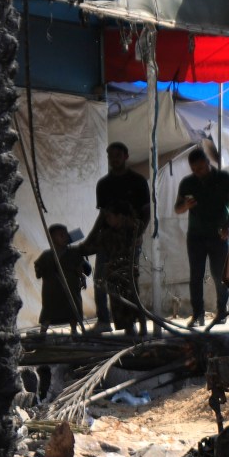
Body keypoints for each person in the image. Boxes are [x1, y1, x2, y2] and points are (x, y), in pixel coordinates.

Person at [85, 142, 153, 333]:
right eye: (111, 156)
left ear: (126, 156)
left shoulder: (138, 181)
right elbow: (102, 216)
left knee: (127, 282)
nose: (114, 159)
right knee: (100, 278)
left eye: (117, 155)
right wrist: (91, 241)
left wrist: (139, 234)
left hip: (129, 240)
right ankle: (104, 320)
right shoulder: (104, 185)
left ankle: (135, 323)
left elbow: (146, 212)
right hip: (107, 240)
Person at [173, 146, 229, 328]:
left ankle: (222, 312)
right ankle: (198, 315)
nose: (198, 173)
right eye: (194, 170)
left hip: (219, 234)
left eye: (201, 169)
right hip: (195, 236)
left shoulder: (223, 178)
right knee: (196, 275)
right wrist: (186, 205)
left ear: (208, 163)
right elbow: (177, 208)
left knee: (220, 274)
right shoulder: (188, 183)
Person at [34, 224, 91, 334]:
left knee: (73, 309)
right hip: (52, 291)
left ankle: (74, 330)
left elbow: (82, 268)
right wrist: (39, 269)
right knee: (48, 311)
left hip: (71, 288)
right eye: (61, 235)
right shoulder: (47, 255)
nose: (65, 237)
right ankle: (43, 332)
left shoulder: (74, 252)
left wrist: (82, 276)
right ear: (52, 238)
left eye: (65, 235)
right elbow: (39, 270)